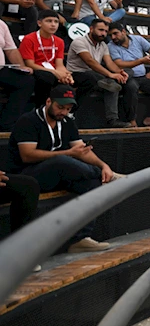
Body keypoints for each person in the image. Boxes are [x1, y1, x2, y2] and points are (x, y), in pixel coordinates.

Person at [9, 85, 123, 253]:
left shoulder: (67, 121)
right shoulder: (28, 120)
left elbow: (82, 151)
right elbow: (27, 155)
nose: (63, 112)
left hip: (56, 174)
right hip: (28, 176)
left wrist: (104, 166)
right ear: (48, 101)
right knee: (61, 159)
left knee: (92, 183)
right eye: (60, 107)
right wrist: (69, 153)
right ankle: (109, 177)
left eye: (67, 109)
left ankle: (80, 240)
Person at [66, 19, 134, 128]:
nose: (103, 33)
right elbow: (90, 61)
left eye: (106, 31)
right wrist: (110, 74)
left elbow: (109, 63)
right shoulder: (79, 41)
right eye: (101, 30)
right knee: (94, 76)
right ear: (91, 29)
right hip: (77, 75)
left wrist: (119, 72)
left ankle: (113, 120)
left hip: (97, 76)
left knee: (126, 74)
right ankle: (108, 82)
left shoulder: (103, 45)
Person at [108, 23, 150, 126]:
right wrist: (141, 61)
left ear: (123, 31)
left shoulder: (137, 39)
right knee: (131, 87)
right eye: (111, 35)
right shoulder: (111, 46)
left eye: (115, 34)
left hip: (142, 76)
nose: (113, 37)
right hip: (127, 77)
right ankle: (131, 120)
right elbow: (119, 64)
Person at [18, 10, 74, 106]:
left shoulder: (59, 41)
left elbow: (59, 64)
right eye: (49, 21)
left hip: (52, 71)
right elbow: (30, 64)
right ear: (39, 23)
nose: (53, 25)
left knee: (74, 81)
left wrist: (66, 75)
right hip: (36, 70)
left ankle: (68, 111)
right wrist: (55, 73)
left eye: (56, 22)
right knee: (47, 77)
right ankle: (42, 107)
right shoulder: (29, 39)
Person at [0, 18, 35, 131]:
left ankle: (7, 123)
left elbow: (11, 50)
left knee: (26, 81)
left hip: (1, 69)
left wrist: (21, 67)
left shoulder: (1, 24)